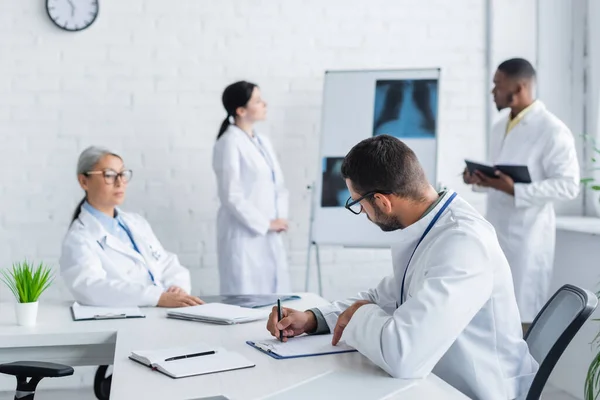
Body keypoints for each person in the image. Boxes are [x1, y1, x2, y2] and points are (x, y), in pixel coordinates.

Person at [266, 135, 538, 399]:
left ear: (383, 201)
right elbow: (385, 296)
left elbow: (404, 355)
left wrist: (361, 315)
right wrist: (313, 319)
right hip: (440, 382)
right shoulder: (428, 226)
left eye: (359, 204)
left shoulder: (463, 244)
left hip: (478, 391)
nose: (362, 213)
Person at [463, 58, 580, 333]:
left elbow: (568, 185)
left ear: (519, 86)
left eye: (497, 84)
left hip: (528, 239)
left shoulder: (552, 130)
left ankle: (525, 376)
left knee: (522, 316)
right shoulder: (498, 127)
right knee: (493, 313)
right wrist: (480, 179)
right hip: (497, 231)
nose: (493, 91)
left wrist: (515, 189)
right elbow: (501, 175)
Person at [60, 146, 204, 308]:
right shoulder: (79, 238)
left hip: (164, 310)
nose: (119, 182)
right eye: (109, 175)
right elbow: (91, 287)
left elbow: (166, 262)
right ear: (84, 181)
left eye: (122, 174)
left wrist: (177, 288)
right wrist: (157, 297)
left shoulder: (136, 223)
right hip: (132, 318)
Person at [212, 81, 291, 295]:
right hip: (245, 236)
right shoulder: (229, 142)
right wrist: (265, 223)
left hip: (270, 232)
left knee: (276, 297)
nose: (264, 103)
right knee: (246, 298)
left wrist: (280, 219)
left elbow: (279, 184)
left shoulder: (263, 141)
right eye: (257, 100)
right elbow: (230, 195)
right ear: (241, 110)